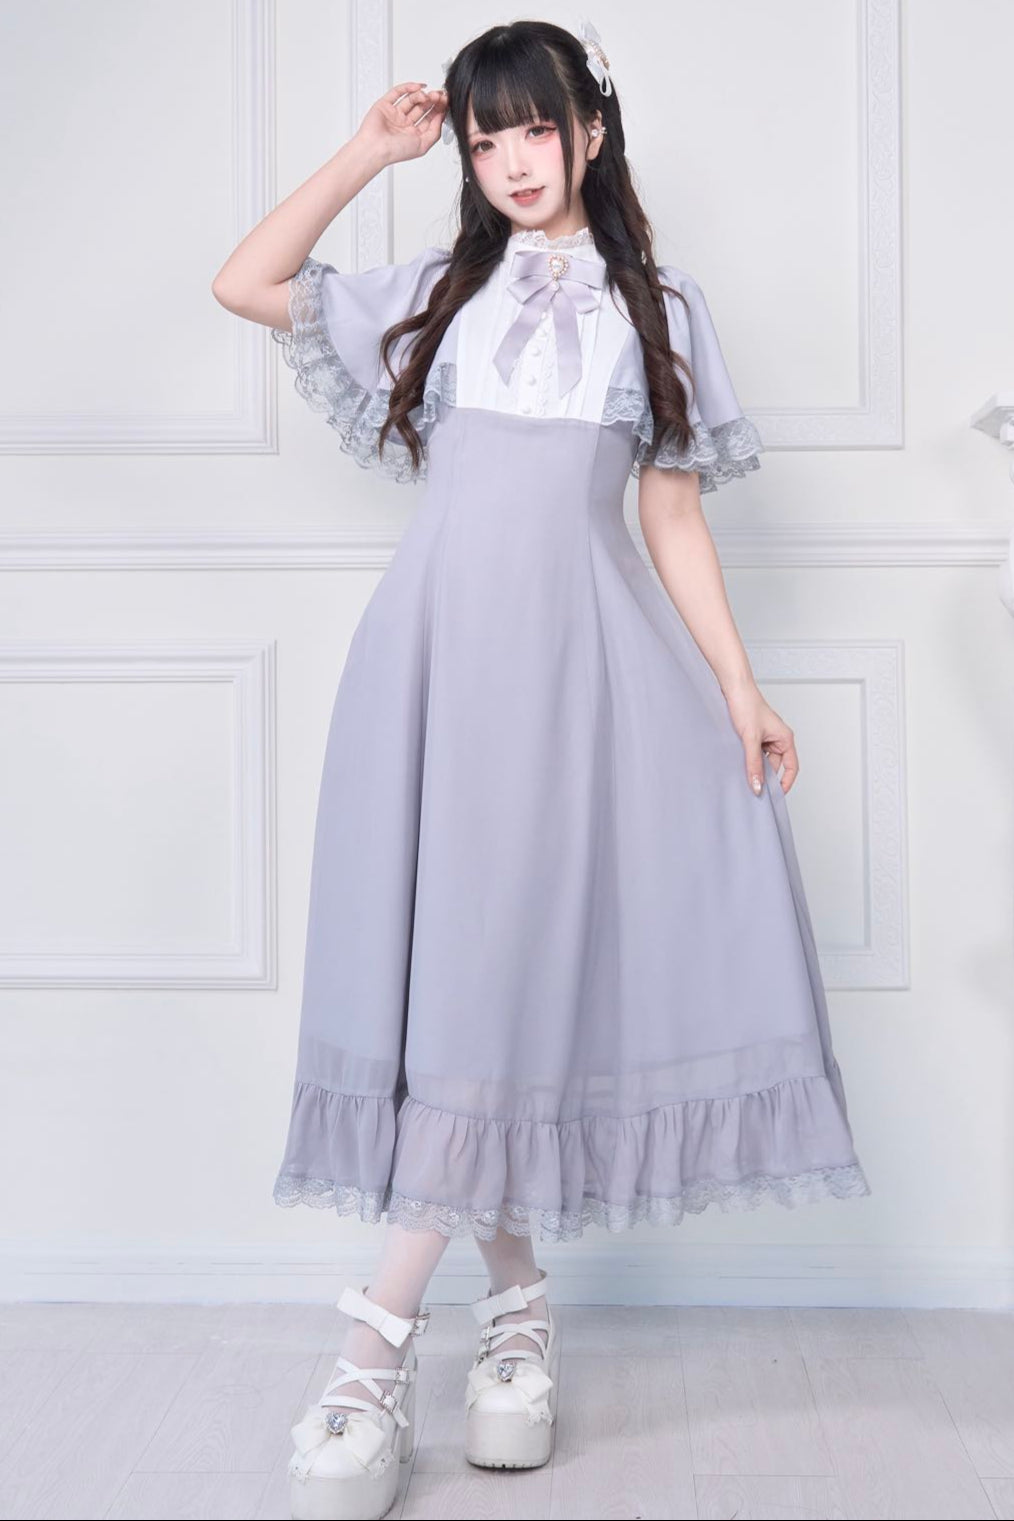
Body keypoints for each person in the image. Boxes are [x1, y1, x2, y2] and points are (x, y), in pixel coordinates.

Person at [212, 17, 871, 1519]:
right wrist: (366, 152)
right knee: (456, 988)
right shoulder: (437, 293)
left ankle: (374, 1351)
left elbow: (672, 519)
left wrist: (741, 687)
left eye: (535, 127)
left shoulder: (660, 309)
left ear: (590, 130)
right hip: (432, 673)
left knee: (497, 980)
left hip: (581, 683)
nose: (512, 160)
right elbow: (246, 281)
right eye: (483, 137)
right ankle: (513, 1311)